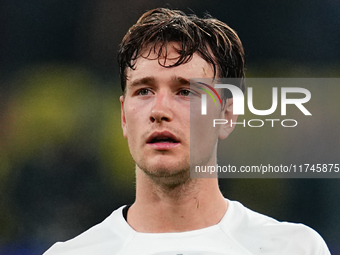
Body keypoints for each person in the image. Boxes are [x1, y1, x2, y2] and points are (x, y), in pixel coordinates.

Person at [44, 8, 330, 254]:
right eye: (144, 90)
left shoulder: (294, 248)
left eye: (185, 91)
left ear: (227, 115)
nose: (159, 111)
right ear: (123, 116)